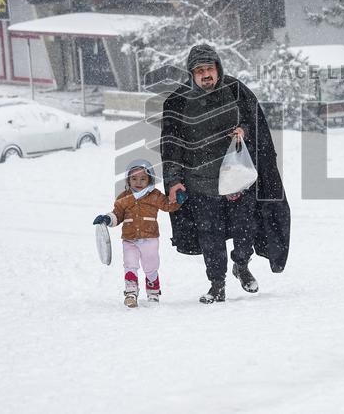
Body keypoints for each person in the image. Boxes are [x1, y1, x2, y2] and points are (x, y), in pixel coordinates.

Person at [160, 44, 291, 304]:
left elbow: (256, 124)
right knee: (210, 237)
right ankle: (216, 285)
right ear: (191, 74)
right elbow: (171, 146)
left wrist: (244, 130)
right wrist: (174, 181)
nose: (206, 74)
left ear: (218, 68)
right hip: (200, 184)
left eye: (210, 68)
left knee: (245, 231)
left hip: (237, 181)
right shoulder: (177, 101)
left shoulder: (236, 90)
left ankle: (241, 265)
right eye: (200, 70)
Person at [93, 160, 181, 308]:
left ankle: (153, 291)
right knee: (130, 264)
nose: (138, 182)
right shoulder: (124, 197)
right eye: (134, 178)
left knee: (151, 265)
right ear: (128, 180)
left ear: (150, 179)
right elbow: (117, 215)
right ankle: (131, 292)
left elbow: (167, 205)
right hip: (129, 239)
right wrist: (108, 219)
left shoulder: (154, 195)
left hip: (150, 238)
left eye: (143, 179)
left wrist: (178, 200)